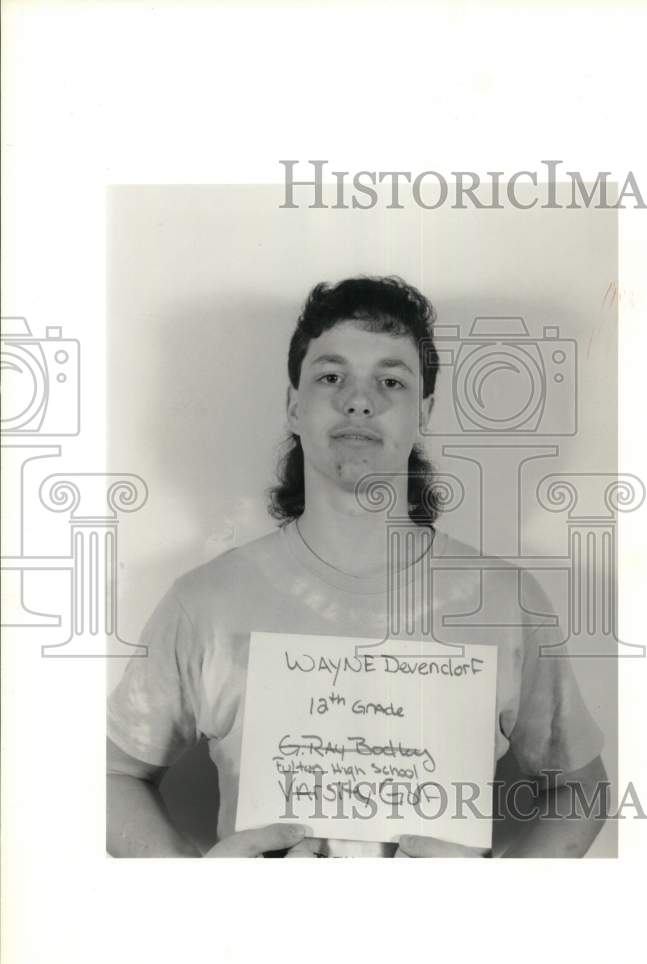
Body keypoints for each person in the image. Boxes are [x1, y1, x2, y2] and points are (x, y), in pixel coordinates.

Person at [107, 276, 608, 858]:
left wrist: (496, 906)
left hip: (450, 947)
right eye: (330, 376)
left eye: (391, 380)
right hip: (256, 945)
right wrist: (197, 892)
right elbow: (110, 775)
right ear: (295, 406)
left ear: (423, 413)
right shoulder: (203, 603)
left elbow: (581, 788)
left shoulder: (506, 601)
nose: (360, 399)